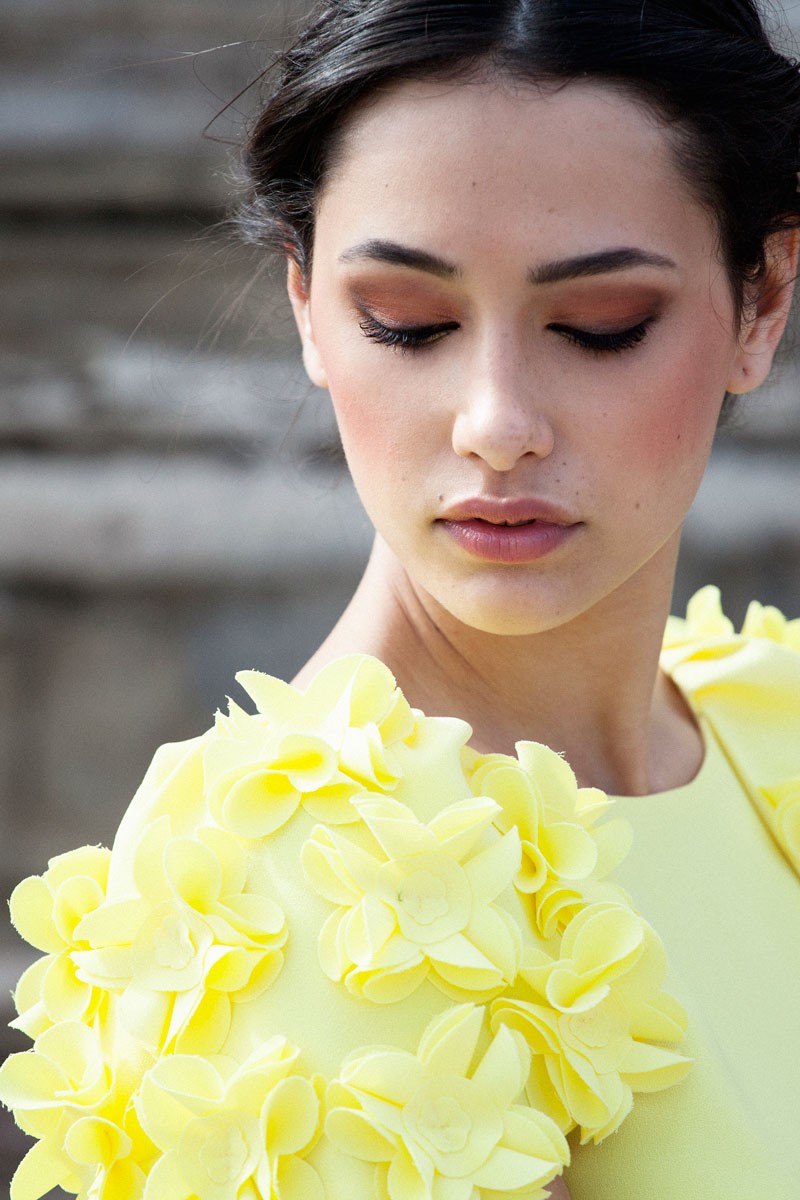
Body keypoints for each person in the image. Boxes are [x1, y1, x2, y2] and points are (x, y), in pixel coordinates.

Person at [2, 1, 800, 1197]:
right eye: (408, 324)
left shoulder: (759, 731)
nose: (495, 426)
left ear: (761, 302)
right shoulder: (299, 883)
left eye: (598, 328)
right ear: (307, 305)